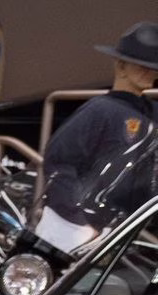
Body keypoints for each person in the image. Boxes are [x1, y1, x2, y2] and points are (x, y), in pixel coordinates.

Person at [40, 22, 158, 249]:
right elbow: (59, 164)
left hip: (130, 227)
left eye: (152, 67)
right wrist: (77, 219)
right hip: (82, 227)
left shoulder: (151, 112)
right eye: (141, 66)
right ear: (121, 66)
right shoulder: (100, 110)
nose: (150, 72)